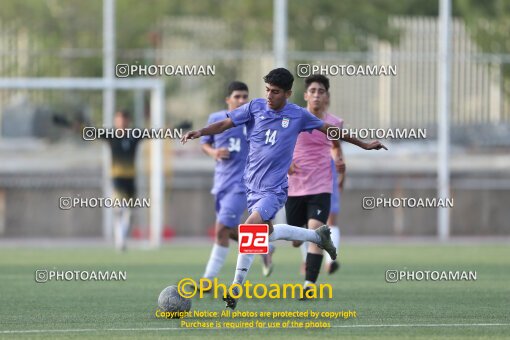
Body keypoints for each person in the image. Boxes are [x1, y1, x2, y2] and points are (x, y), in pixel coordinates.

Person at [181, 68, 387, 309]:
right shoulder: (255, 107)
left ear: (288, 93)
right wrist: (201, 131)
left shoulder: (298, 115)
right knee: (266, 234)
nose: (269, 95)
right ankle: (316, 236)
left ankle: (236, 287)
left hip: (274, 190)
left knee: (250, 227)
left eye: (275, 92)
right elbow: (226, 123)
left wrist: (363, 144)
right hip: (251, 188)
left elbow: (331, 130)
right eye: (267, 89)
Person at [200, 81, 272, 290]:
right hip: (221, 183)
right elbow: (205, 143)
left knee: (221, 228)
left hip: (242, 184)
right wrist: (213, 152)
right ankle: (264, 247)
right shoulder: (216, 119)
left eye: (245, 97)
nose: (242, 100)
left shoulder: (255, 120)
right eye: (237, 96)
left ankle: (208, 280)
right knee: (225, 231)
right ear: (228, 99)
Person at [286, 75, 344, 296]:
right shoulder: (294, 119)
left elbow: (336, 145)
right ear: (305, 95)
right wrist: (286, 163)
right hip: (295, 188)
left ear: (326, 95)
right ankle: (296, 242)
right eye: (313, 91)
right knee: (295, 239)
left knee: (315, 233)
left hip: (321, 186)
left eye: (321, 91)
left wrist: (338, 158)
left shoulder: (335, 122)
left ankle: (309, 286)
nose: (317, 95)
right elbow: (281, 144)